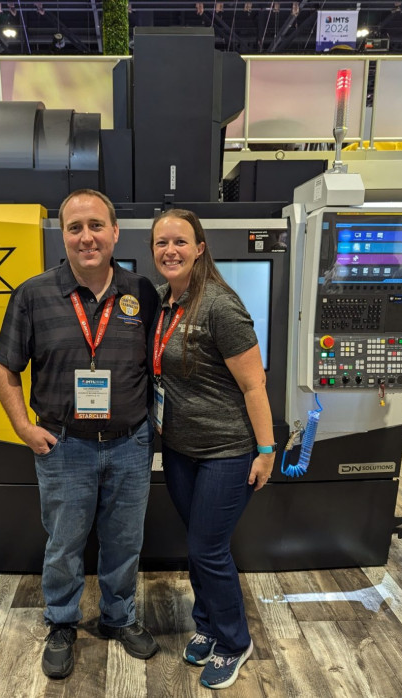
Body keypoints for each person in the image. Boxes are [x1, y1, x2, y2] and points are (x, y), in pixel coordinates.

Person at [0, 189, 160, 680]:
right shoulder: (33, 293)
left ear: (114, 232)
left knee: (125, 541)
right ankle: (62, 622)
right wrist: (24, 427)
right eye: (74, 228)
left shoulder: (141, 292)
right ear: (62, 235)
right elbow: (5, 368)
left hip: (129, 445)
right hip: (64, 447)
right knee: (64, 544)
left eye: (95, 226)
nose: (86, 237)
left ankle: (118, 617)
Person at [150, 209, 276, 690]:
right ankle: (207, 624)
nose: (170, 250)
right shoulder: (166, 301)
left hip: (228, 450)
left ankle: (233, 641)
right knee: (200, 548)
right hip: (182, 449)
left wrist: (265, 451)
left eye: (180, 241)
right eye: (162, 243)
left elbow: (254, 386)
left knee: (208, 548)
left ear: (200, 247)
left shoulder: (221, 306)